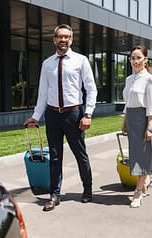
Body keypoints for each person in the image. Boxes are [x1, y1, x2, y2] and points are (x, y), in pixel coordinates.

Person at [23, 24, 97, 211]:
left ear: (71, 40)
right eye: (59, 36)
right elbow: (43, 92)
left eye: (67, 37)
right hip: (52, 115)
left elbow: (91, 88)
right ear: (54, 39)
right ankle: (54, 195)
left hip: (74, 114)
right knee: (55, 157)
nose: (63, 40)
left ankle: (87, 189)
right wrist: (35, 116)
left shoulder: (81, 61)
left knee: (81, 155)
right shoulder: (47, 64)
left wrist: (87, 114)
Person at [122, 44, 152, 208]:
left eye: (138, 58)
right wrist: (124, 122)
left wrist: (149, 126)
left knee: (142, 156)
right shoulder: (129, 79)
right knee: (135, 156)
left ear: (145, 60)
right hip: (131, 119)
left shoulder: (149, 79)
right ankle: (146, 181)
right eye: (132, 58)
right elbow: (127, 103)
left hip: (142, 119)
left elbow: (151, 105)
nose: (135, 61)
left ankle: (138, 193)